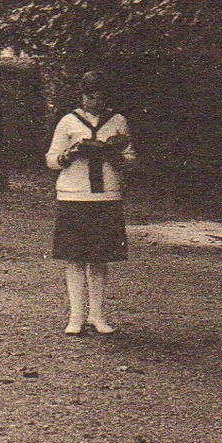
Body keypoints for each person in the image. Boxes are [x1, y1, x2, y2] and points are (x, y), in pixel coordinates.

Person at [46, 70, 138, 335]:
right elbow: (51, 159)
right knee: (74, 257)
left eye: (97, 96)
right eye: (88, 95)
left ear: (105, 97)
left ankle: (98, 316)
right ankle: (75, 317)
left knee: (99, 258)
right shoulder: (68, 121)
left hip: (106, 195)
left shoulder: (118, 121)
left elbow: (131, 157)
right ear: (81, 95)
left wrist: (117, 156)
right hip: (74, 194)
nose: (92, 101)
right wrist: (71, 153)